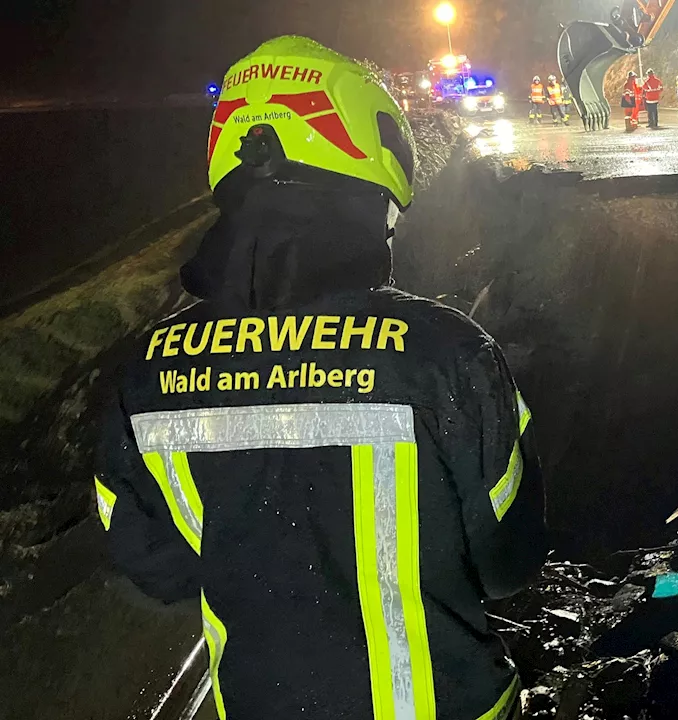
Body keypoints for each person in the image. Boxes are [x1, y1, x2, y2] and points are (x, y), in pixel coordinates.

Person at [92, 35, 547, 720]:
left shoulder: (145, 376)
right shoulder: (447, 354)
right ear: (367, 198)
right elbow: (509, 566)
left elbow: (159, 570)